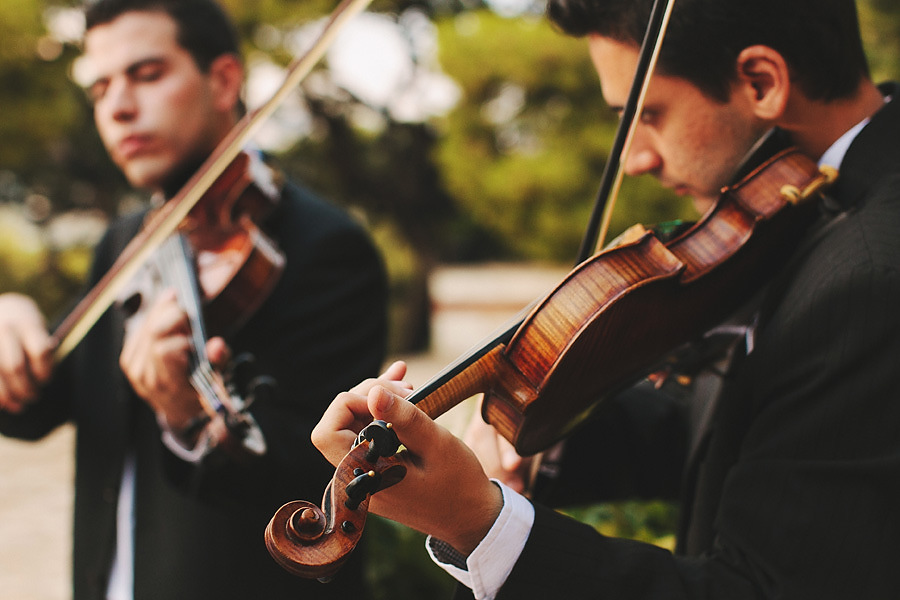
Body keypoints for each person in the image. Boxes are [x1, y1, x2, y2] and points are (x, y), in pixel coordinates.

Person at [309, 0, 900, 598]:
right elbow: (755, 425)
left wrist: (478, 523)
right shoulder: (799, 205)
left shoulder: (871, 274)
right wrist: (531, 422)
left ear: (761, 82)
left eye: (647, 114)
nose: (635, 158)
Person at [0, 0, 388, 598]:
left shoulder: (325, 245)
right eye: (101, 88)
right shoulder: (126, 241)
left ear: (225, 80)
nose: (118, 107)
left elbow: (329, 485)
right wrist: (9, 323)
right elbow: (34, 404)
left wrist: (189, 420)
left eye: (147, 74)